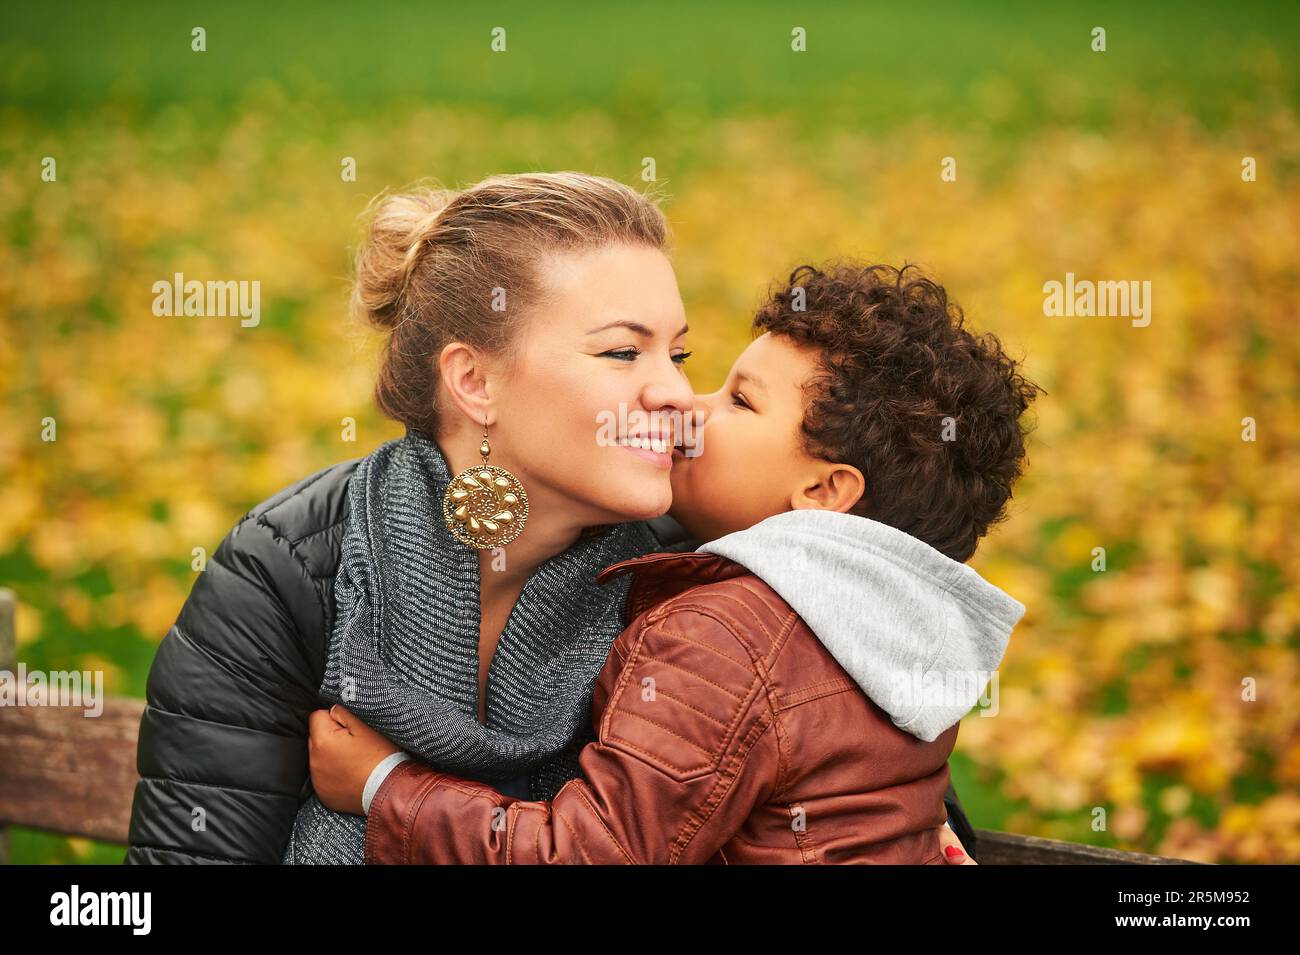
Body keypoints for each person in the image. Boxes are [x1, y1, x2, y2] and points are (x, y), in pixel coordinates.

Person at [310, 262, 1040, 864]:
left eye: (740, 402)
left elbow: (597, 853)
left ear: (823, 491)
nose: (689, 408)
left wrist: (383, 784)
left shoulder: (724, 635)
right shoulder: (892, 620)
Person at [125, 171, 699, 863]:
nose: (675, 390)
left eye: (679, 353)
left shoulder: (681, 582)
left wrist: (390, 787)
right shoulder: (289, 571)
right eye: (621, 352)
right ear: (474, 382)